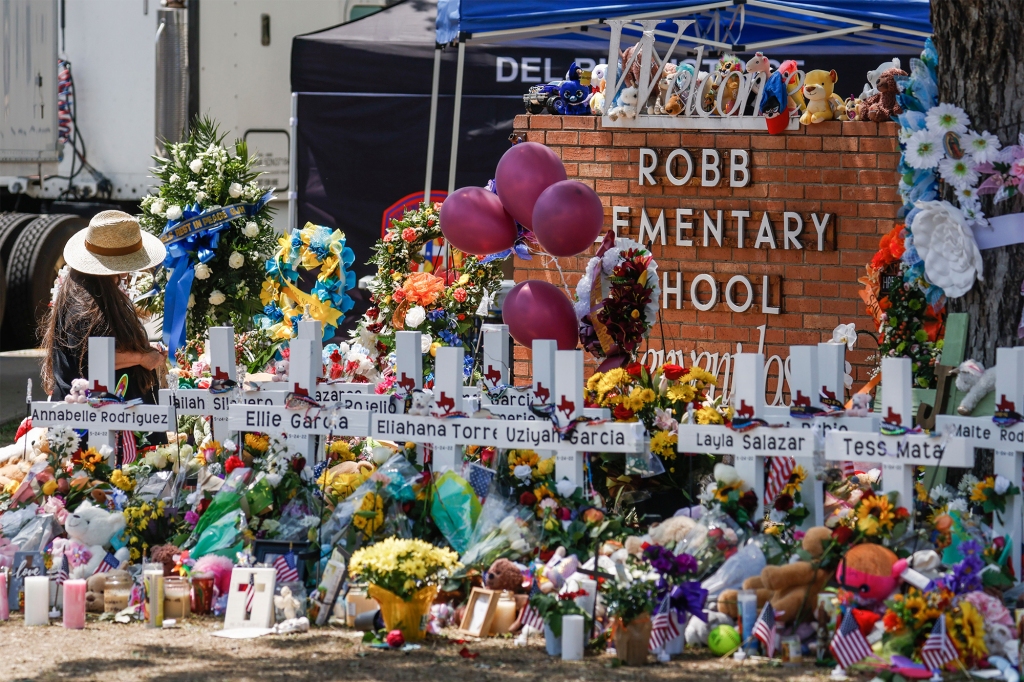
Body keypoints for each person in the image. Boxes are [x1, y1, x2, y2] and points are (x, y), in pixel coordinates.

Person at [40, 209, 168, 410]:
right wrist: (143, 358)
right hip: (91, 416)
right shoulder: (85, 302)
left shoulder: (87, 292)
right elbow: (96, 357)